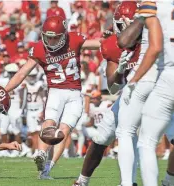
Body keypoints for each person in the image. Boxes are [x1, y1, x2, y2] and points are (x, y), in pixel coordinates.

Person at [4, 15, 100, 179]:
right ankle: (42, 157)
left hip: (65, 94)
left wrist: (5, 90)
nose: (52, 41)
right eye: (48, 37)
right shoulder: (44, 47)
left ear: (63, 35)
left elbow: (21, 73)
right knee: (57, 128)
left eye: (56, 38)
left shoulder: (73, 39)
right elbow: (99, 44)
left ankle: (44, 165)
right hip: (65, 92)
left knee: (57, 128)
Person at [72, 2, 140, 186]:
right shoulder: (114, 45)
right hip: (129, 94)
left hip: (157, 93)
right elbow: (113, 88)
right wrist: (119, 70)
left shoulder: (151, 39)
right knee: (102, 137)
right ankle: (82, 180)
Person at [117, 1, 174, 186]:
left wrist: (133, 80)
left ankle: (127, 183)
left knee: (136, 136)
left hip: (159, 75)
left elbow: (128, 42)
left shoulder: (153, 3)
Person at [23, 68, 46, 158]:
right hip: (29, 111)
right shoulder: (24, 84)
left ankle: (38, 151)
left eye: (33, 76)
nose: (32, 78)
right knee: (31, 132)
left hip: (38, 110)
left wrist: (43, 112)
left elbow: (44, 99)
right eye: (30, 76)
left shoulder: (40, 84)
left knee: (38, 132)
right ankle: (31, 150)